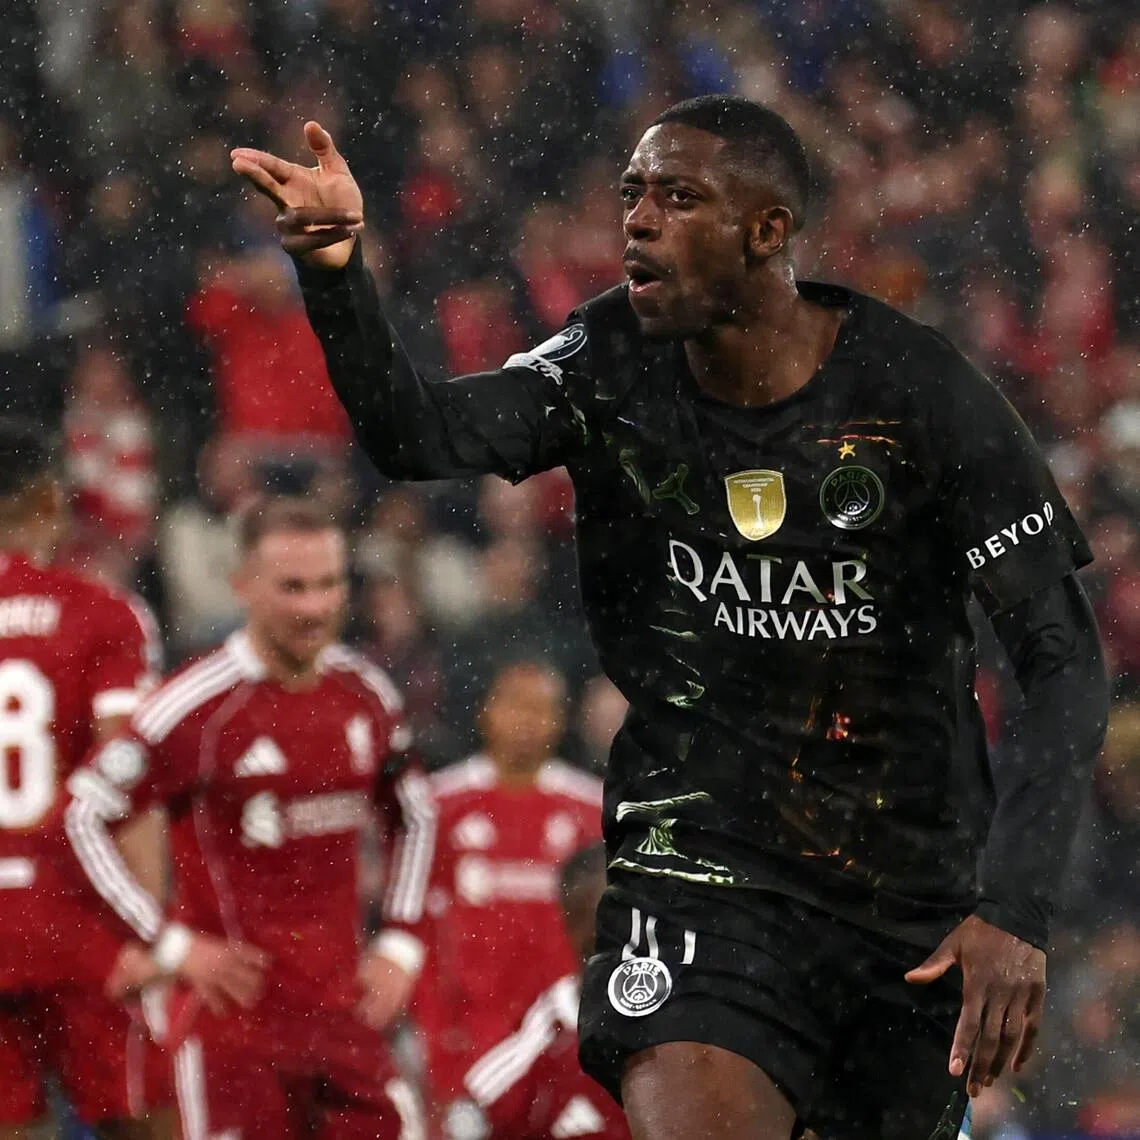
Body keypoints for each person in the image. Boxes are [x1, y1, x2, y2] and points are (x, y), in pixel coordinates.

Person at [231, 95, 1108, 1140]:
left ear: (768, 232)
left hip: (903, 902)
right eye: (631, 195)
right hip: (697, 877)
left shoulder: (918, 393)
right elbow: (421, 433)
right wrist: (337, 278)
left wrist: (1016, 909)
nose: (638, 221)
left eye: (679, 197)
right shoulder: (609, 362)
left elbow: (1063, 662)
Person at [62, 496, 436, 1140]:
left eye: (328, 584)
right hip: (236, 1032)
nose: (314, 607)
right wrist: (168, 943)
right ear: (243, 585)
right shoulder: (196, 708)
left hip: (344, 1018)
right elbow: (84, 815)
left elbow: (416, 814)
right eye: (292, 587)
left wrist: (402, 941)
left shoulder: (366, 695)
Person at [0, 418, 169, 1139]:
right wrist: (154, 931)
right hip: (78, 918)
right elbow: (125, 783)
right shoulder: (102, 615)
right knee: (148, 1121)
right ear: (46, 500)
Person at [409, 660, 603, 1106]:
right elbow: (414, 923)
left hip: (560, 1033)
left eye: (541, 709)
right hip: (463, 1031)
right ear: (486, 711)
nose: (527, 721)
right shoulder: (437, 806)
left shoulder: (592, 810)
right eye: (515, 704)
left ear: (561, 720)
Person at [445, 843, 628, 1140]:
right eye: (609, 920)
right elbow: (467, 1118)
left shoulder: (683, 1028)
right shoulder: (550, 1038)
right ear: (575, 926)